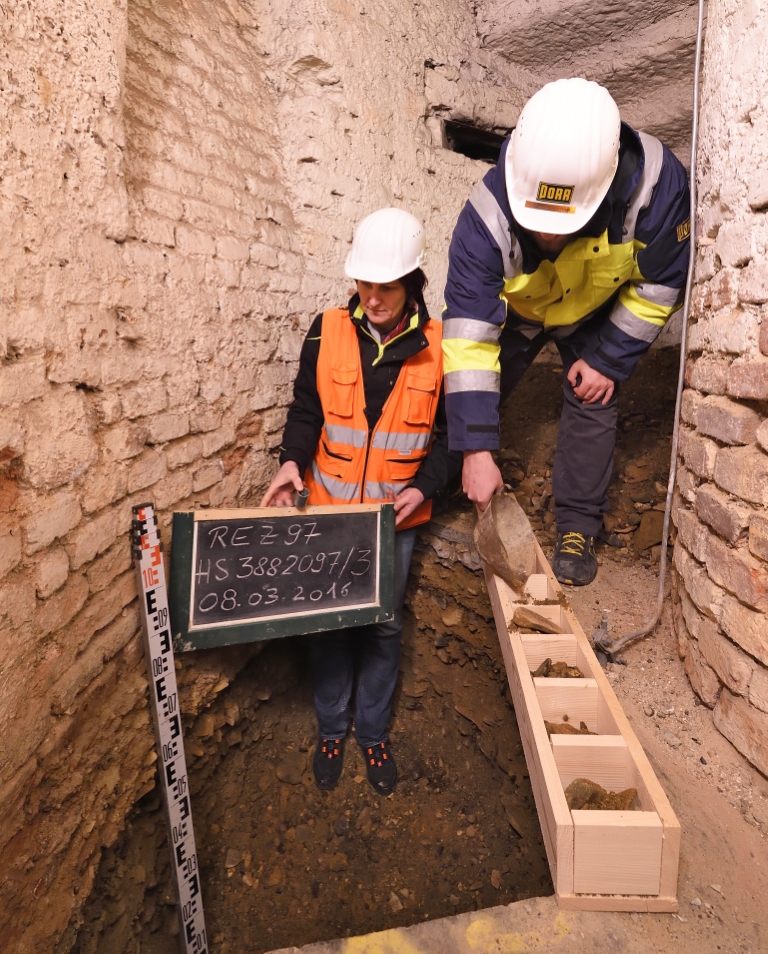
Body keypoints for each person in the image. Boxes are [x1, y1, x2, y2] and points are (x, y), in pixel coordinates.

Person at [443, 77, 690, 586]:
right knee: (463, 392)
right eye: (536, 223)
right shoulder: (485, 215)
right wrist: (475, 450)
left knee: (593, 395)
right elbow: (469, 340)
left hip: (593, 309)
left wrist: (608, 358)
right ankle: (435, 483)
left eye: (564, 223)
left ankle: (577, 527)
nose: (549, 236)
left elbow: (661, 285)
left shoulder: (658, 192)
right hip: (523, 310)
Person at [260, 208, 462, 795]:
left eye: (387, 286)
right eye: (364, 284)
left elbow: (451, 439)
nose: (372, 298)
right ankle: (331, 728)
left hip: (393, 523)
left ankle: (371, 733)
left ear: (413, 284)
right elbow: (306, 411)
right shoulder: (325, 331)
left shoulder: (441, 348)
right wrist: (291, 461)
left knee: (380, 627)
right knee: (327, 626)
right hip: (327, 511)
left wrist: (424, 487)